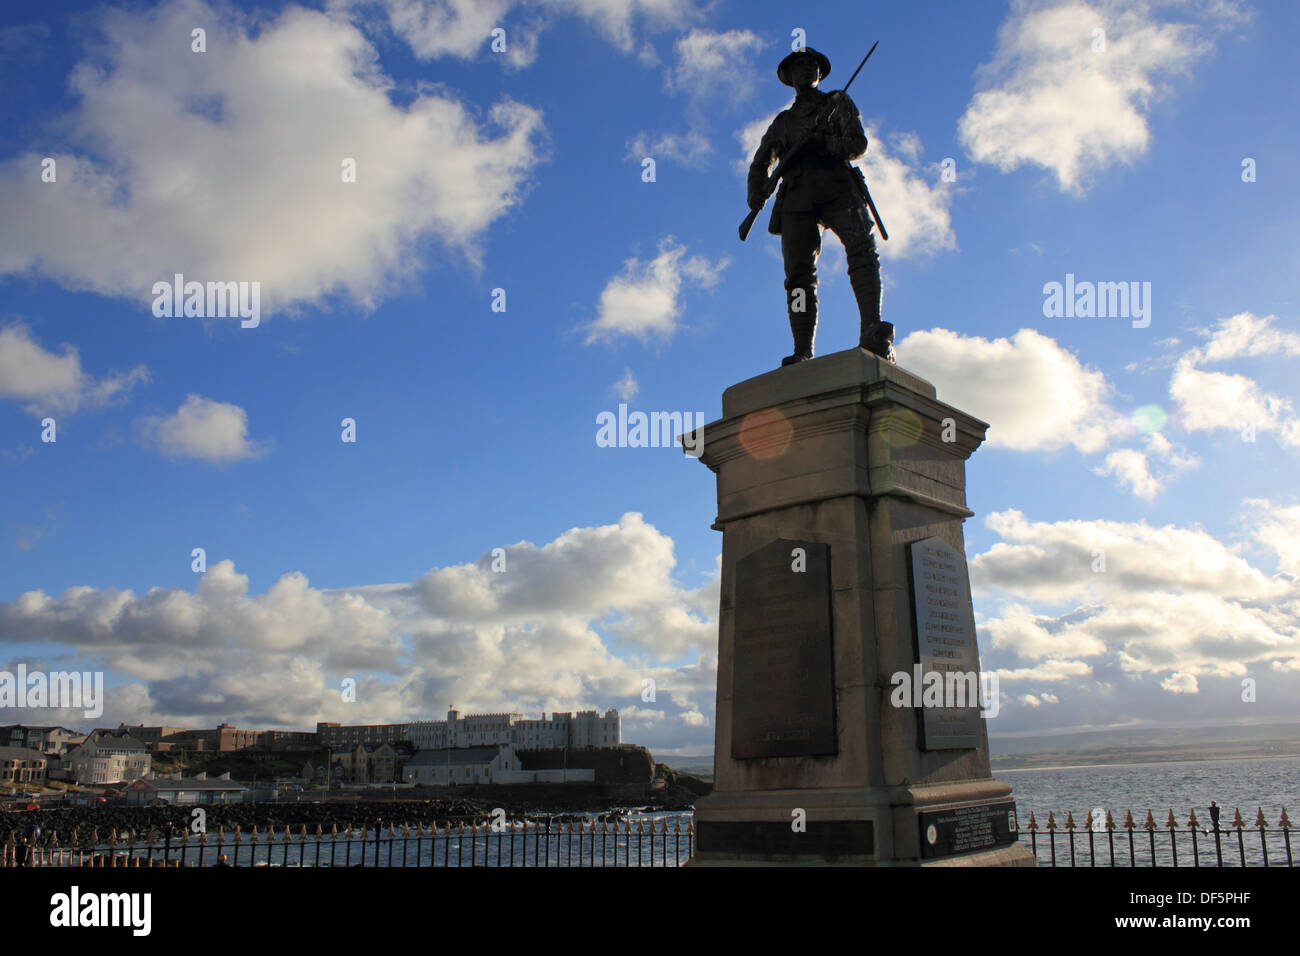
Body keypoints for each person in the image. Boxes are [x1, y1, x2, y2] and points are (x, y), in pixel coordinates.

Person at [747, 47, 893, 366]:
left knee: (862, 250)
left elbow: (857, 144)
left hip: (837, 185)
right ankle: (803, 349)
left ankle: (872, 329)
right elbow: (760, 162)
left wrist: (824, 143)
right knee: (799, 277)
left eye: (810, 64)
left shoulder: (836, 102)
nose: (804, 69)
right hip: (797, 197)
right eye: (797, 65)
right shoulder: (783, 123)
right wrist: (756, 193)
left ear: (819, 72)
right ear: (789, 77)